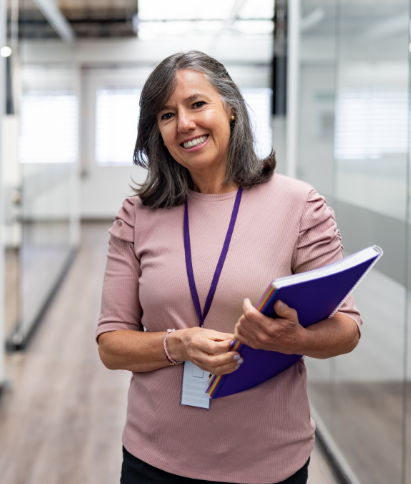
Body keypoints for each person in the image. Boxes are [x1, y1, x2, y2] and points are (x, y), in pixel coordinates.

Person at [96, 51, 362, 484]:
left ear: (231, 109)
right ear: (157, 132)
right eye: (167, 114)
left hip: (269, 461)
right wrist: (178, 344)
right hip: (156, 459)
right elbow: (111, 345)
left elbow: (347, 329)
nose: (184, 123)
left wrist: (298, 338)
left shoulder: (299, 206)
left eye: (197, 104)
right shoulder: (137, 215)